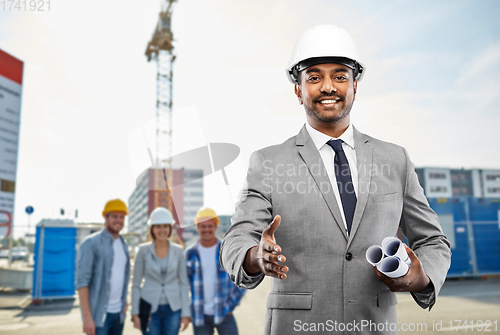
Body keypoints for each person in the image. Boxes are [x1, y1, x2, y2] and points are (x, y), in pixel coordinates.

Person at [220, 25, 452, 335]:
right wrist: (254, 257)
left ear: (355, 85)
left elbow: (434, 241)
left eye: (340, 76)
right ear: (298, 89)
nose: (328, 87)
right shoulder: (268, 162)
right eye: (314, 77)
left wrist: (420, 277)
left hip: (374, 326)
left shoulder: (395, 159)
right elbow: (237, 239)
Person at [185, 207, 245, 335]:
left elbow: (242, 278)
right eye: (203, 226)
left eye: (210, 226)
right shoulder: (190, 254)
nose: (206, 230)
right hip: (200, 316)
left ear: (215, 226)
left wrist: (231, 305)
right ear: (197, 227)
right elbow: (183, 284)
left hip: (224, 312)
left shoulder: (228, 251)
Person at [131, 207, 191, 335]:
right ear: (152, 228)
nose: (162, 230)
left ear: (170, 228)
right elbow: (136, 284)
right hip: (148, 307)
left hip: (173, 308)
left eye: (165, 226)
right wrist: (135, 312)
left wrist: (186, 313)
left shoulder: (179, 251)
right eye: (158, 226)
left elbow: (183, 283)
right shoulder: (142, 251)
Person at [76, 199, 130, 335]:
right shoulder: (91, 243)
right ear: (105, 217)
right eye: (114, 216)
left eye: (122, 217)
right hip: (99, 317)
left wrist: (125, 299)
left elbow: (121, 276)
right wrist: (87, 318)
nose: (118, 220)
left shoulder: (124, 244)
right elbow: (82, 282)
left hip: (118, 315)